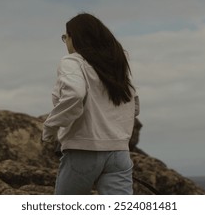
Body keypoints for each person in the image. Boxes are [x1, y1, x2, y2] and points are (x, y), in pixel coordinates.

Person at [42, 13, 139, 195]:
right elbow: (134, 105)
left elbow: (75, 94)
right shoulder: (117, 65)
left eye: (65, 37)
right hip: (119, 153)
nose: (66, 43)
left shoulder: (72, 61)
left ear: (74, 38)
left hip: (83, 151)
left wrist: (50, 128)